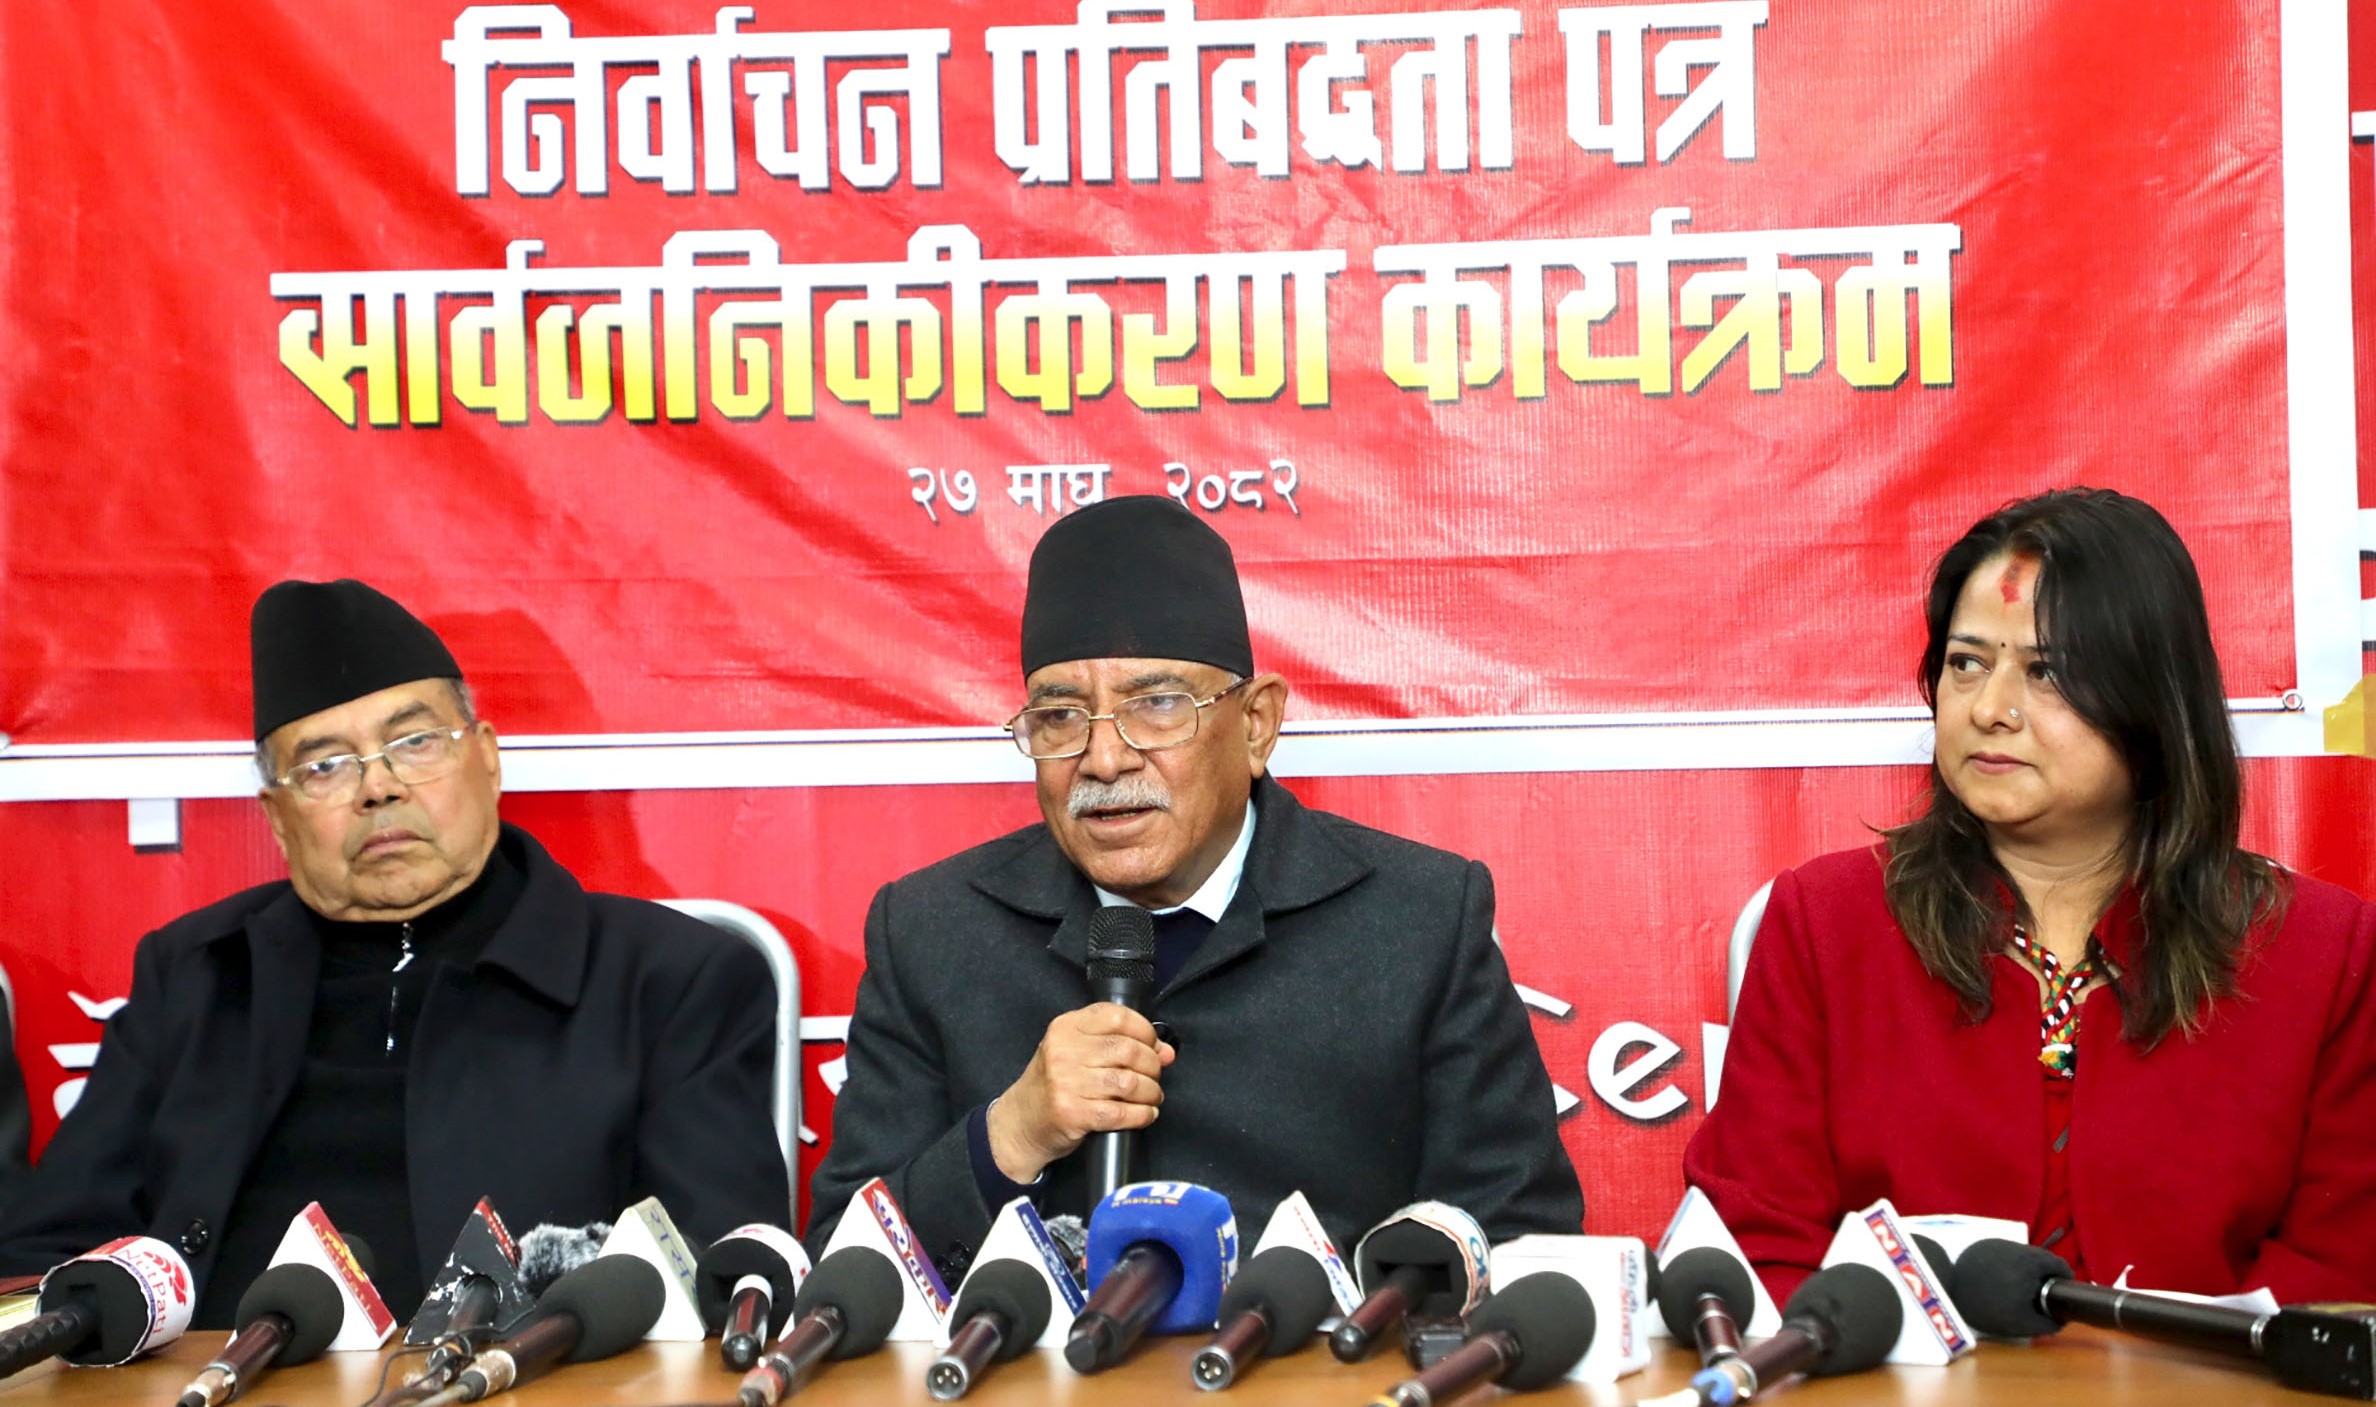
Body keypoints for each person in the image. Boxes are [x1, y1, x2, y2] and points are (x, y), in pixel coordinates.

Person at [804, 496, 1582, 1272]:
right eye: (1061, 716)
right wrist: (1008, 1136)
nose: (1105, 759)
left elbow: (1522, 1246)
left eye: (1156, 705)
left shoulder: (1418, 919)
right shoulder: (933, 930)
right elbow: (842, 1271)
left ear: (1255, 724)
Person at [0, 580, 789, 1324]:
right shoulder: (197, 976)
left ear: (487, 758)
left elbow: (718, 1277)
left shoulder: (668, 980)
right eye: (324, 765)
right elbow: (51, 1252)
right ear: (277, 818)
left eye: (414, 742)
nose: (377, 787)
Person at [1685, 488, 2376, 1305]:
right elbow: (1756, 1242)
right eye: (1966, 663)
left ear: (2154, 700)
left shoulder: (2321, 952)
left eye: (2045, 672)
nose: (1989, 709)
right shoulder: (1826, 923)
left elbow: (2341, 1269)